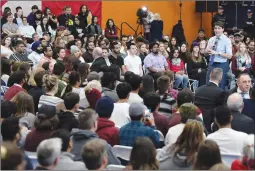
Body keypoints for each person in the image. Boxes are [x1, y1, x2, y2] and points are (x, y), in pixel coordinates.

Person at [195, 68, 224, 132]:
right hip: (212, 126)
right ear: (221, 78)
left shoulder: (198, 90)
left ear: (210, 76)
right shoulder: (220, 92)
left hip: (196, 123)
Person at [206, 21, 232, 90]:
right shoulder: (211, 39)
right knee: (208, 83)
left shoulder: (227, 40)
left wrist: (217, 53)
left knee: (220, 84)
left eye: (219, 28)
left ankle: (220, 100)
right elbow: (205, 53)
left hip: (222, 64)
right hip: (212, 63)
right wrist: (207, 49)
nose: (217, 30)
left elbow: (229, 56)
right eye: (215, 28)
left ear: (223, 29)